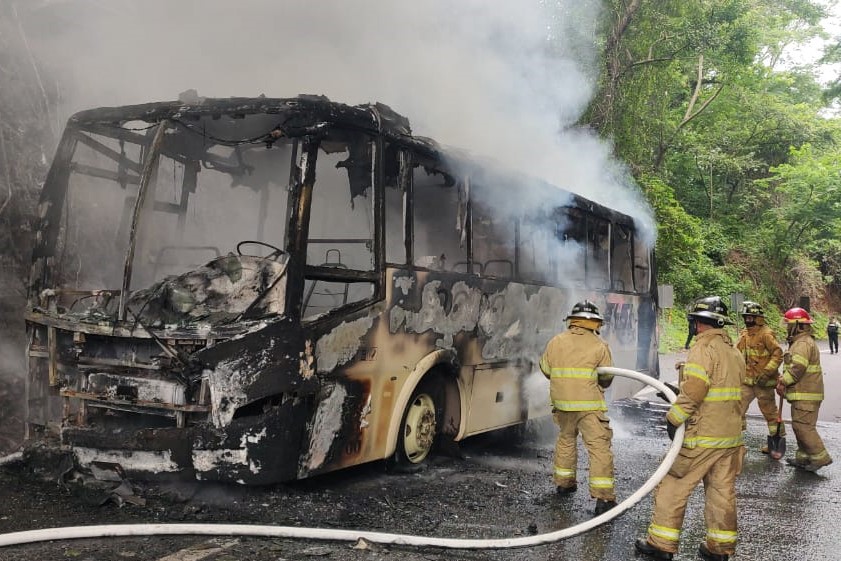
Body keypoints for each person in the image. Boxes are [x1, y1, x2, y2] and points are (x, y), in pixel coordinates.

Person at [635, 296, 745, 561]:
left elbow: (696, 389)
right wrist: (677, 393)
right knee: (721, 492)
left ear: (699, 323)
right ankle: (719, 550)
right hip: (729, 438)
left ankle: (661, 544)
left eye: (694, 321)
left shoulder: (702, 348)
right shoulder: (734, 351)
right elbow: (719, 390)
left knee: (672, 483)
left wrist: (674, 418)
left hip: (702, 437)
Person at [539, 300, 617, 516]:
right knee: (598, 447)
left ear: (573, 321)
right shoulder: (599, 346)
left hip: (563, 404)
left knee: (566, 439)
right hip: (589, 406)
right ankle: (603, 498)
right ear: (594, 323)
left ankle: (564, 483)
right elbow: (607, 377)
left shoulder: (556, 341)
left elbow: (546, 369)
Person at [777, 307, 833, 471]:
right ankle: (803, 457)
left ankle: (820, 458)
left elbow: (797, 369)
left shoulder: (802, 344)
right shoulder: (800, 342)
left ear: (797, 325)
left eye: (789, 324)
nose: (787, 327)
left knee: (803, 427)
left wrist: (783, 382)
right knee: (799, 425)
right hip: (804, 394)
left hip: (806, 395)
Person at [735, 301, 784, 453]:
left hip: (764, 383)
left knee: (770, 413)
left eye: (751, 317)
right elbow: (737, 354)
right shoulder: (744, 334)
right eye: (746, 317)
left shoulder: (766, 334)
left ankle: (776, 442)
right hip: (747, 382)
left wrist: (766, 373)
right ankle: (736, 443)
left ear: (759, 318)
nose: (748, 320)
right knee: (737, 409)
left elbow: (778, 354)